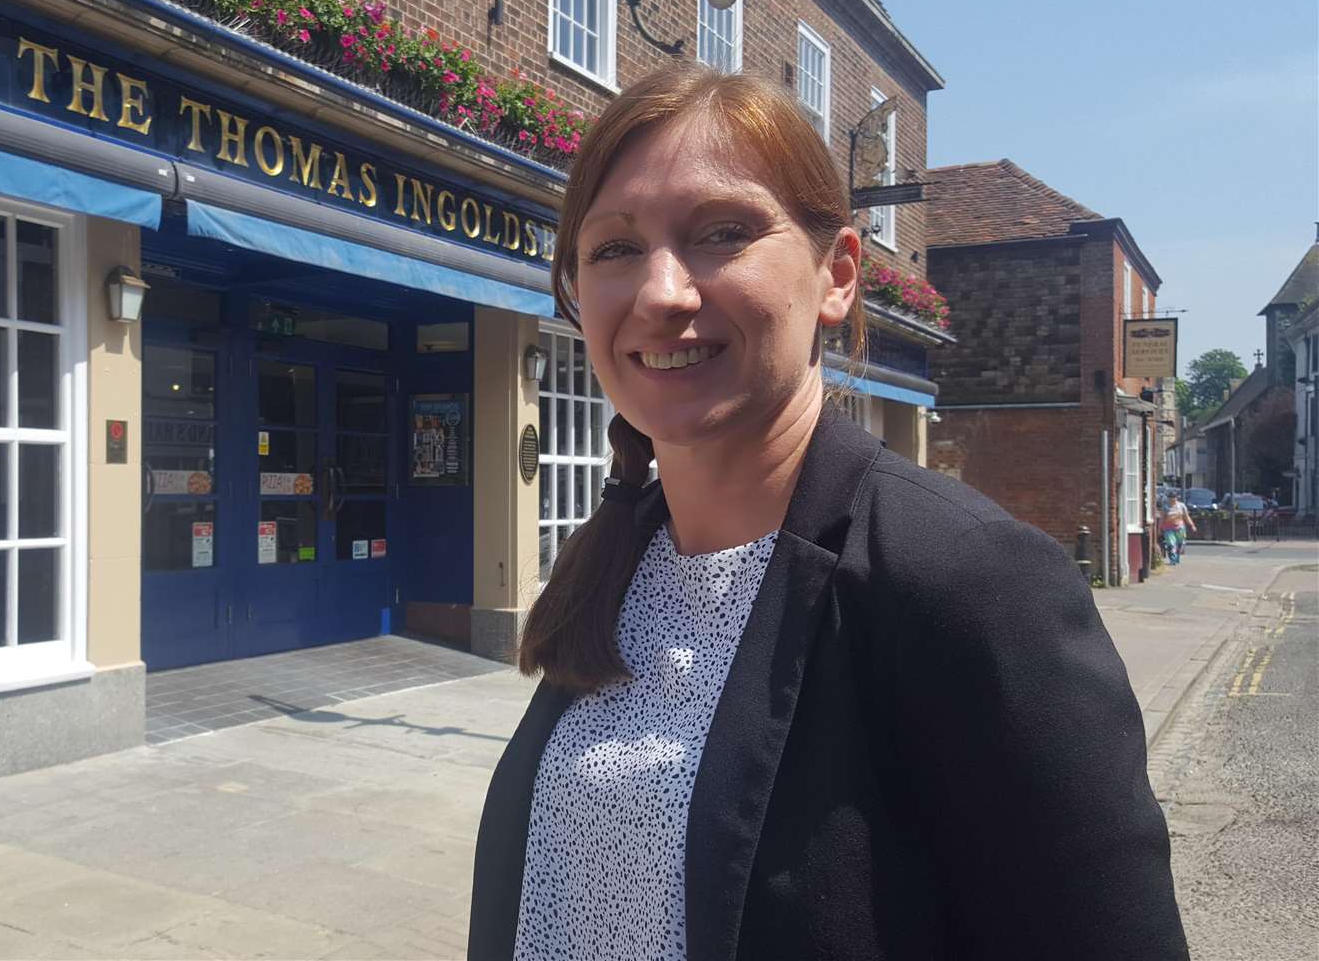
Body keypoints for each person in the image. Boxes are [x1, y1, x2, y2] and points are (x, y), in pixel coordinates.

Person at [467, 66, 1185, 961]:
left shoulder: (970, 582)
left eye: (722, 233)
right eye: (613, 249)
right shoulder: (625, 560)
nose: (661, 292)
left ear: (838, 275)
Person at [1161, 494, 1195, 564]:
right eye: (1170, 497)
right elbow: (1162, 518)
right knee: (1171, 544)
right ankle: (1172, 560)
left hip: (1180, 528)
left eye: (1174, 497)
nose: (1172, 499)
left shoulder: (1181, 506)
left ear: (1177, 498)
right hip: (1168, 528)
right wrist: (1160, 528)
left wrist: (1192, 525)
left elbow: (1186, 516)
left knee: (1180, 544)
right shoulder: (1165, 507)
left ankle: (1177, 557)